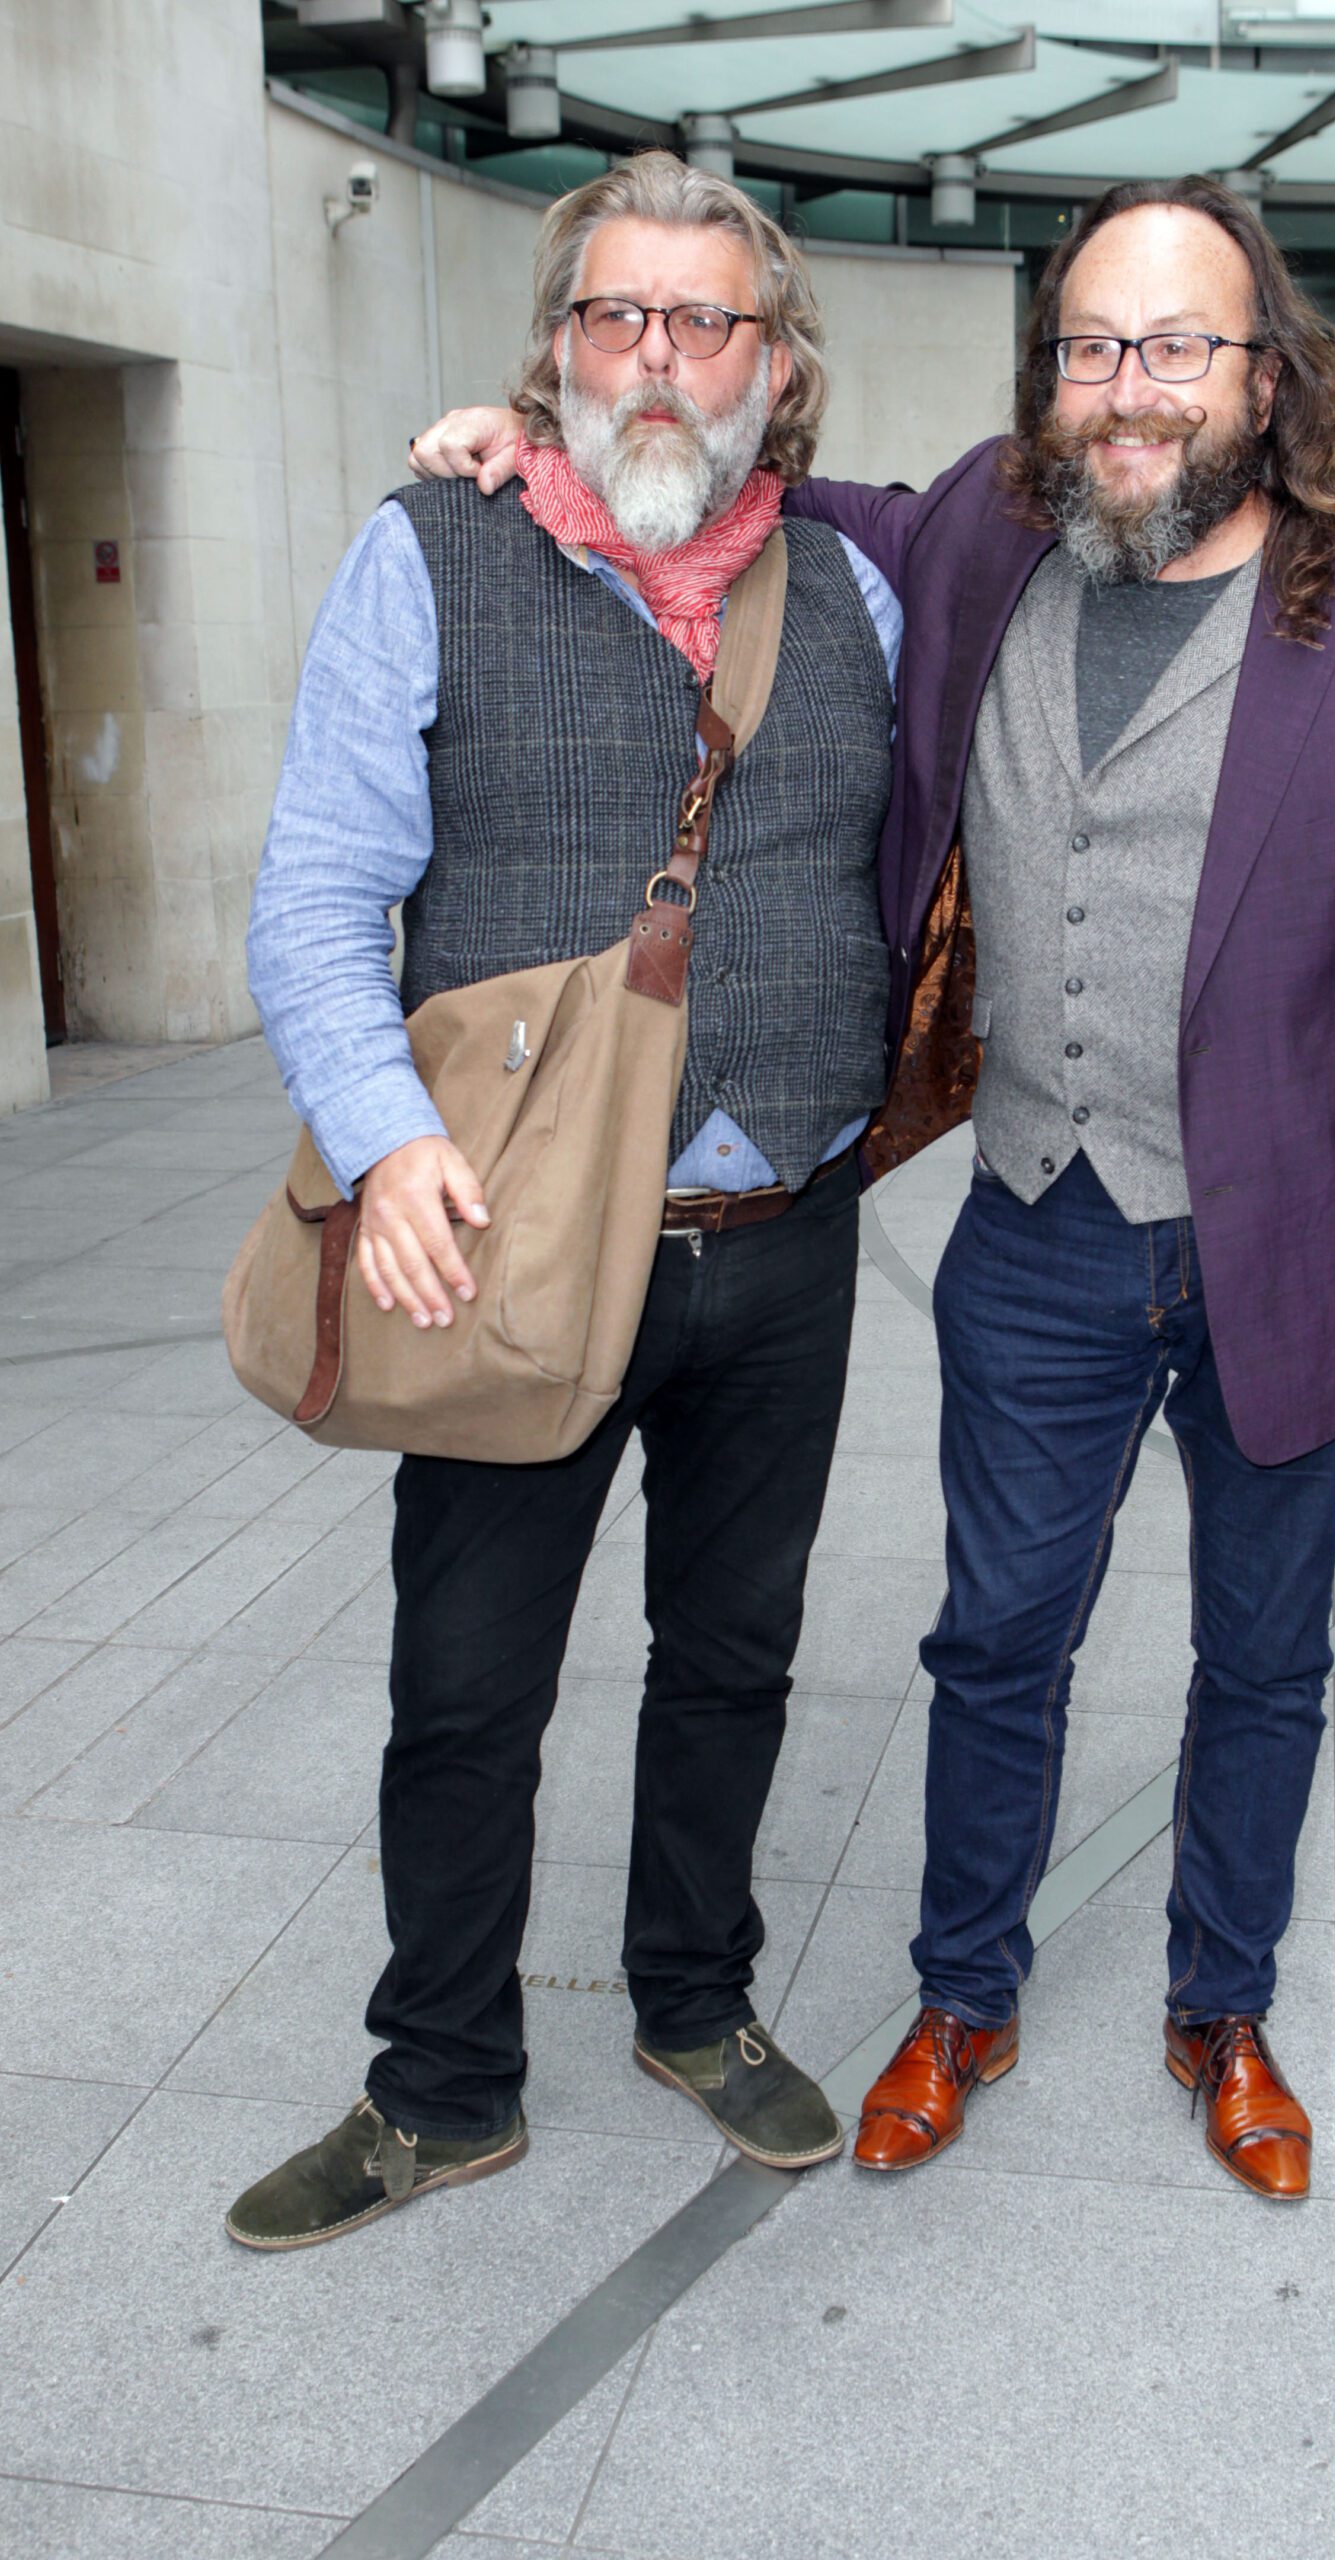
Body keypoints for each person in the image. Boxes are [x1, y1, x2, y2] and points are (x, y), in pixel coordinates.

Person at [408, 174, 1335, 2205]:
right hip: (1035, 1222)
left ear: (1264, 376)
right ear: (1051, 378)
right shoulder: (975, 538)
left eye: (1175, 344)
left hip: (1297, 1239)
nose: (1129, 386)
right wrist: (539, 450)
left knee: (1261, 1657)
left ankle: (1222, 2005)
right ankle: (963, 1995)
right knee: (993, 1639)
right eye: (1092, 344)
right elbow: (738, 496)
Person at [226, 153, 907, 2250]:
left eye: (705, 321)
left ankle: (693, 2000)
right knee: (466, 1678)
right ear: (550, 349)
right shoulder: (429, 548)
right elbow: (316, 898)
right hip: (506, 1238)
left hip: (781, 1234)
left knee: (735, 1653)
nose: (656, 358)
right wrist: (382, 1132)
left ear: (772, 367)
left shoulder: (867, 588)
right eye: (615, 316)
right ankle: (440, 2079)